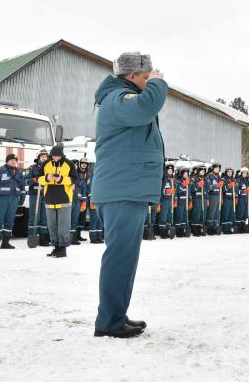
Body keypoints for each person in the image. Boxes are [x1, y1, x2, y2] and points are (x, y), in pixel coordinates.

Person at [92, 51, 166, 339]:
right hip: (122, 190)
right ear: (132, 76)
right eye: (146, 77)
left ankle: (115, 315)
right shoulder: (119, 100)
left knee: (125, 258)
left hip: (127, 189)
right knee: (120, 257)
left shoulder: (121, 98)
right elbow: (146, 108)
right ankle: (109, 321)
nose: (150, 82)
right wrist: (159, 84)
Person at [39, 146, 77, 257]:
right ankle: (56, 247)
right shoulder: (45, 164)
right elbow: (39, 179)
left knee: (63, 225)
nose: (56, 157)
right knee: (52, 225)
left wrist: (60, 179)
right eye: (54, 155)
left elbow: (74, 179)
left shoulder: (69, 164)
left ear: (62, 155)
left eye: (58, 155)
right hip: (49, 199)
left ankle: (63, 248)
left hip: (64, 199)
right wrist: (47, 178)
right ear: (51, 155)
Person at [0, 153, 27, 250]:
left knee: (9, 220)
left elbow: (22, 187)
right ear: (7, 161)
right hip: (1, 199)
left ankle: (6, 242)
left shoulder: (19, 172)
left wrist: (22, 198)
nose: (13, 162)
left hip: (14, 199)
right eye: (11, 160)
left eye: (15, 160)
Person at [26, 149, 50, 246]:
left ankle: (43, 237)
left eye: (45, 156)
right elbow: (26, 180)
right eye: (42, 156)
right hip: (35, 194)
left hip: (46, 194)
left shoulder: (49, 168)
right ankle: (33, 235)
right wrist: (34, 179)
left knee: (44, 216)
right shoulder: (32, 168)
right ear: (38, 157)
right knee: (34, 215)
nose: (44, 158)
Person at [157, 164, 176, 239]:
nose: (170, 171)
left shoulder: (172, 179)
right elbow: (161, 190)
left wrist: (175, 199)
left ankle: (168, 230)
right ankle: (162, 232)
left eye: (171, 170)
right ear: (166, 170)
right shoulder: (164, 178)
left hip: (171, 200)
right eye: (169, 170)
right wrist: (168, 191)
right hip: (164, 200)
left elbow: (175, 190)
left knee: (169, 216)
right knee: (163, 216)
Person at [205, 163, 224, 235]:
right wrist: (216, 185)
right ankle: (209, 228)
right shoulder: (209, 176)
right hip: (212, 196)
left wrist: (221, 197)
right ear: (213, 169)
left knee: (217, 212)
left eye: (218, 168)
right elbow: (208, 187)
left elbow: (221, 189)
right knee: (212, 212)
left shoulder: (219, 176)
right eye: (216, 168)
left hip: (218, 195)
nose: (217, 169)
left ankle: (214, 227)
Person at [190, 166, 207, 236]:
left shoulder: (205, 178)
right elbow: (192, 189)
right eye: (201, 171)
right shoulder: (194, 178)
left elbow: (207, 189)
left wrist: (207, 198)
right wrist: (198, 185)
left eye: (204, 171)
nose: (203, 172)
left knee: (202, 214)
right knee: (197, 213)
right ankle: (194, 229)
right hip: (197, 198)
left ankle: (200, 228)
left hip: (203, 198)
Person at [174, 168, 191, 237]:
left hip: (186, 201)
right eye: (185, 174)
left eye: (187, 174)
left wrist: (190, 201)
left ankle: (183, 229)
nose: (186, 175)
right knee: (179, 216)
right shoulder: (178, 181)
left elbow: (189, 192)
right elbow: (177, 191)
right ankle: (178, 231)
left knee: (185, 216)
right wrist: (184, 184)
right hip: (180, 201)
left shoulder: (188, 181)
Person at [221, 167, 237, 234]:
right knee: (226, 214)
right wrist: (229, 186)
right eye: (228, 172)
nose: (230, 173)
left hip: (232, 199)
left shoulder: (233, 180)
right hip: (226, 198)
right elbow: (223, 189)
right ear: (226, 172)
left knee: (231, 214)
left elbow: (235, 190)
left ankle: (229, 227)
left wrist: (236, 197)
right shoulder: (223, 179)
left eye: (231, 172)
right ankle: (225, 228)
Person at [235, 167, 249, 233]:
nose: (245, 174)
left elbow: (248, 190)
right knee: (240, 212)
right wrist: (243, 191)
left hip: (246, 199)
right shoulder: (238, 180)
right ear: (241, 173)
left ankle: (243, 225)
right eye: (243, 173)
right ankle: (239, 227)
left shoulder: (247, 180)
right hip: (241, 198)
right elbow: (236, 191)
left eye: (246, 173)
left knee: (245, 213)